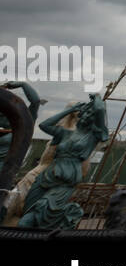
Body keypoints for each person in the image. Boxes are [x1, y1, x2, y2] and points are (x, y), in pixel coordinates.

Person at [18, 94, 109, 229]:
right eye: (86, 112)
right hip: (46, 178)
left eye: (92, 114)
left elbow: (100, 109)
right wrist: (70, 110)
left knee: (27, 222)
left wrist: (96, 96)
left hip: (65, 181)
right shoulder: (65, 134)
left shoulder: (93, 136)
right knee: (27, 212)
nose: (88, 115)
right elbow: (44, 125)